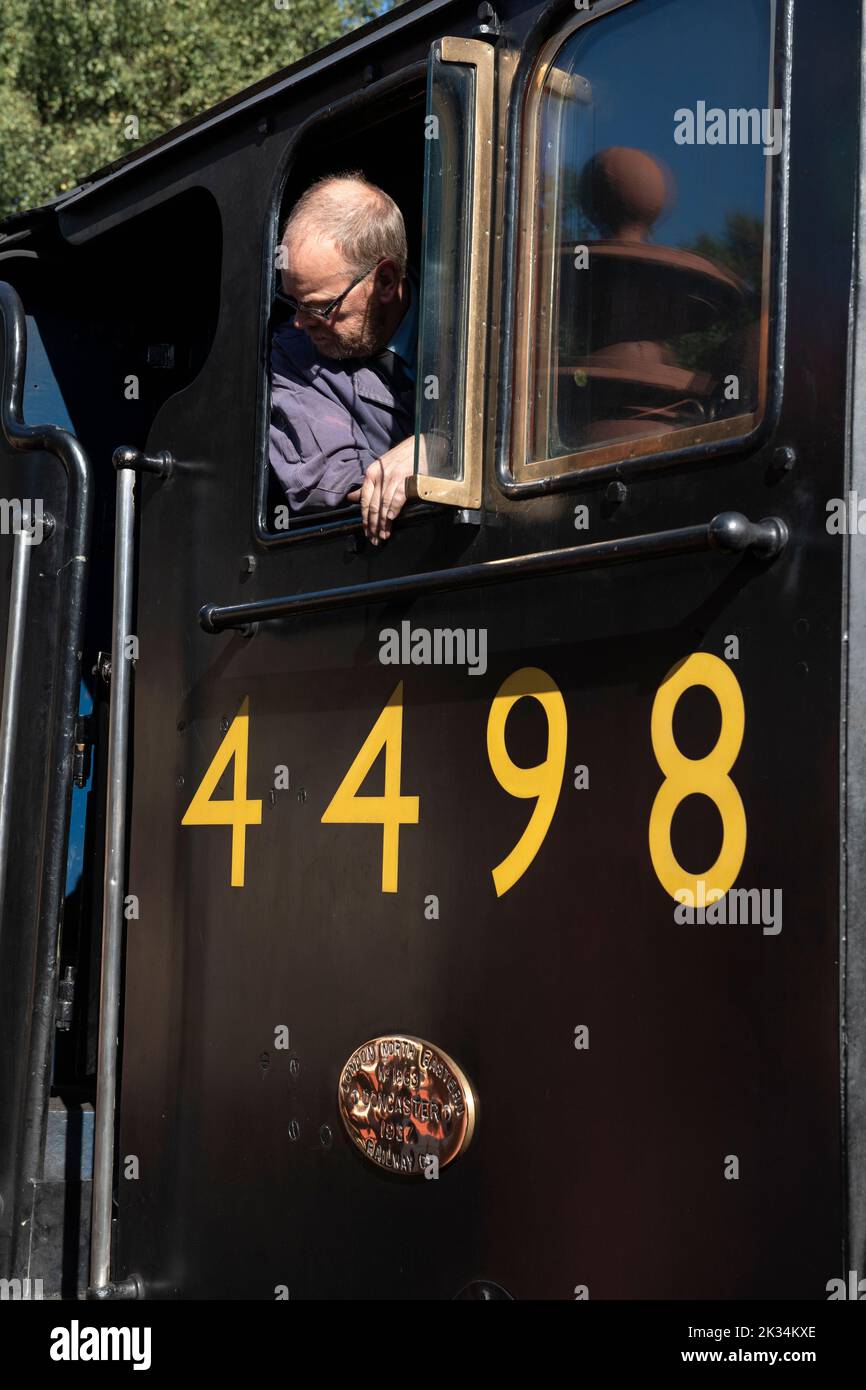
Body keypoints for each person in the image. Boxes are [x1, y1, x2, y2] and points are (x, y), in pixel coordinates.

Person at [269, 172, 419, 544]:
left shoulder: (475, 313)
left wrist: (440, 446)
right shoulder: (293, 356)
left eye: (320, 307)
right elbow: (339, 482)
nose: (300, 322)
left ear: (385, 280)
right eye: (293, 301)